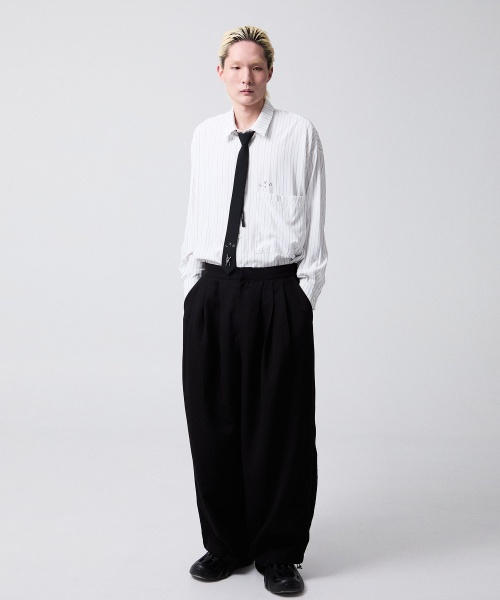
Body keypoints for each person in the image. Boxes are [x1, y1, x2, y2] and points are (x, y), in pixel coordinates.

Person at [179, 25, 328, 595]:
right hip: (214, 292)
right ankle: (226, 544)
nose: (247, 77)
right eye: (237, 67)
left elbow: (316, 216)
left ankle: (279, 553)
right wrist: (193, 287)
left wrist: (301, 297)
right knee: (212, 423)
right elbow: (196, 210)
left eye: (257, 67)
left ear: (270, 73)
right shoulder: (204, 136)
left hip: (276, 292)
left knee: (280, 429)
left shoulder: (298, 133)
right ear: (221, 73)